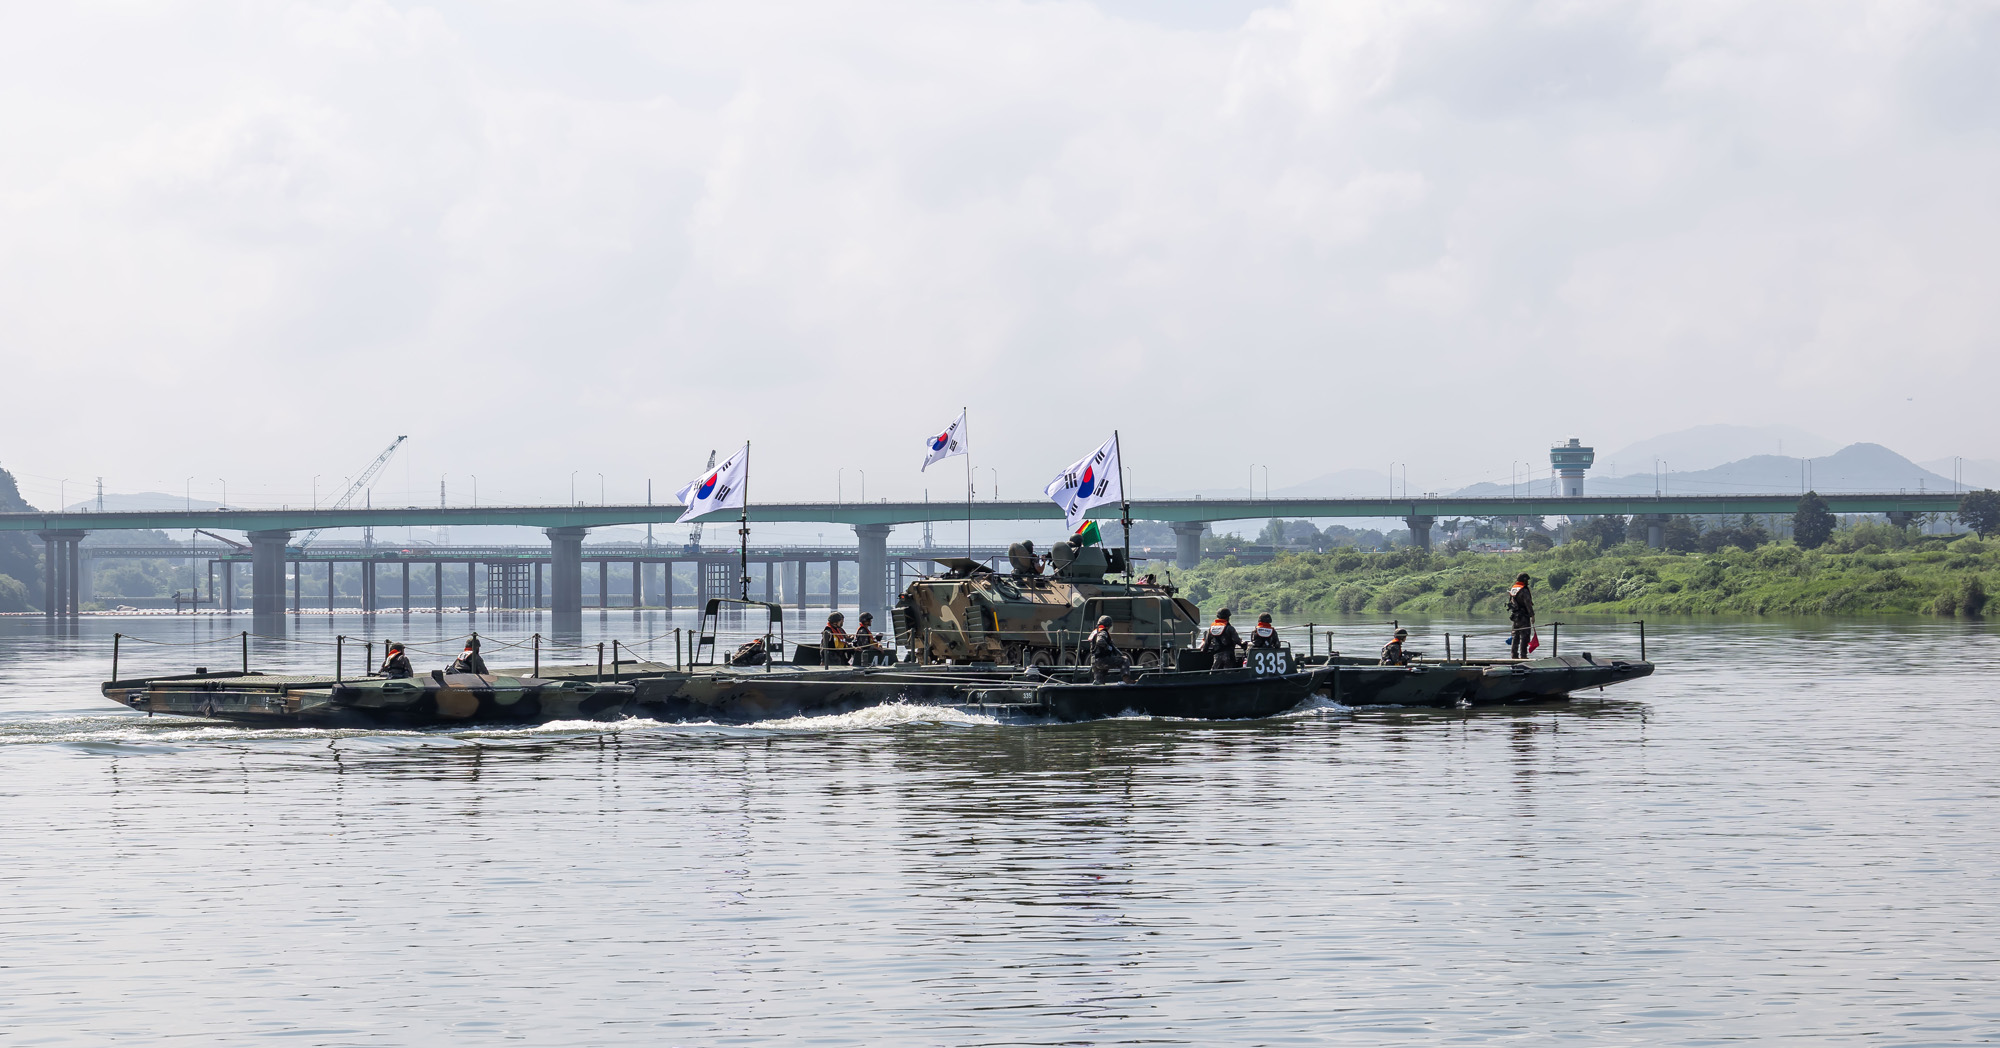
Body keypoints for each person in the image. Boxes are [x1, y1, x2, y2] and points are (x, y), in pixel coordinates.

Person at [1087, 614, 1132, 684]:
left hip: (1094, 661)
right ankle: (1127, 681)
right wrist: (1109, 647)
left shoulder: (1096, 631)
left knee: (1099, 683)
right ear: (1107, 625)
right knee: (1124, 660)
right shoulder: (1103, 632)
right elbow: (1100, 641)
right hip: (1102, 661)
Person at [1506, 572, 1536, 658]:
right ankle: (1523, 656)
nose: (1528, 582)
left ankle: (1514, 656)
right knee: (1525, 636)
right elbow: (1528, 604)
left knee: (1515, 636)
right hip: (1523, 617)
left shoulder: (1514, 588)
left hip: (1515, 617)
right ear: (1524, 580)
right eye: (1527, 580)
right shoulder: (1524, 590)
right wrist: (1532, 615)